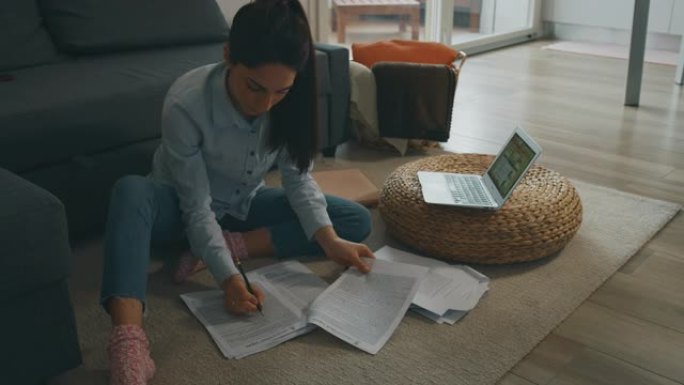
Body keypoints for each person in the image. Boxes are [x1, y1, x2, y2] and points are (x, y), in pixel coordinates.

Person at [99, 1, 374, 384]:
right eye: (254, 87)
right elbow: (196, 207)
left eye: (280, 91)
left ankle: (230, 244)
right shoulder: (186, 103)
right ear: (228, 56)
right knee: (129, 192)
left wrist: (329, 243)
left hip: (240, 206)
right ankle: (128, 340)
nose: (264, 105)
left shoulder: (289, 101)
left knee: (351, 220)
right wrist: (229, 279)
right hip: (178, 208)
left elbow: (298, 179)